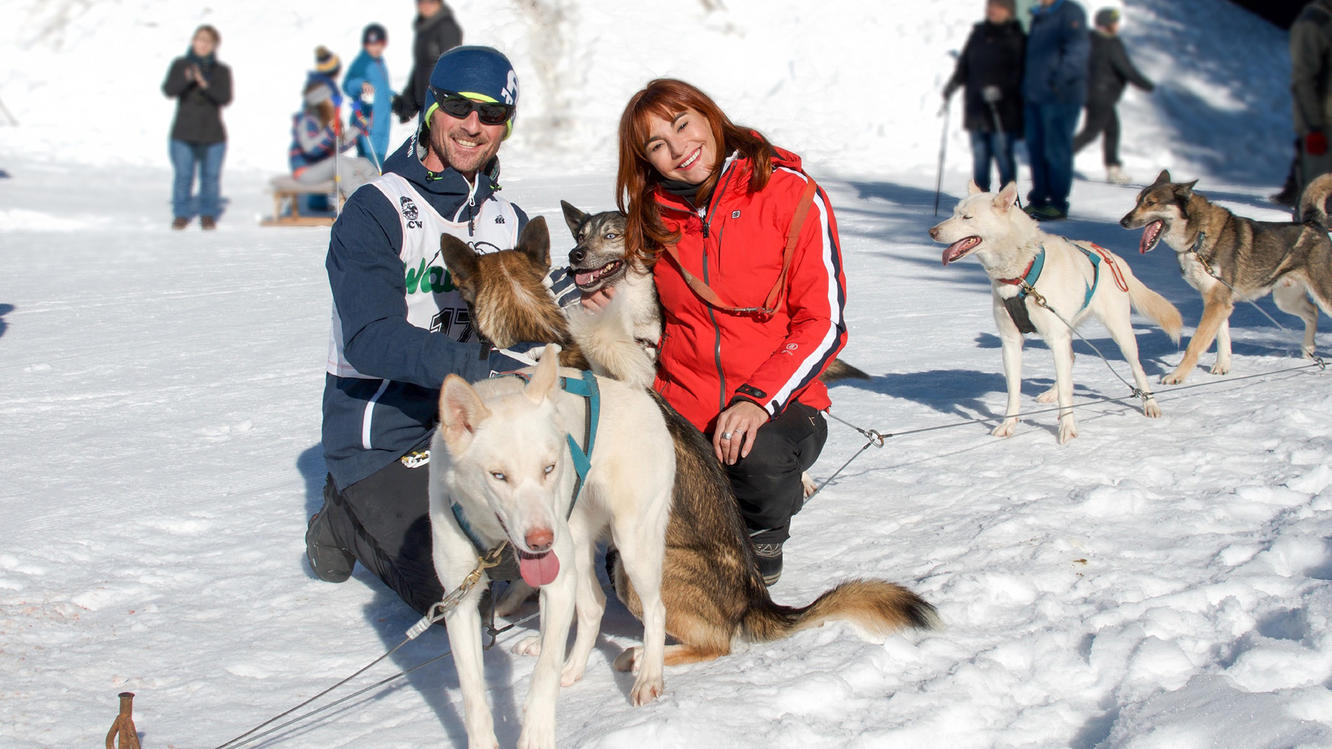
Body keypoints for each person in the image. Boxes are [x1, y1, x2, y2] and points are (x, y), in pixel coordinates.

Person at [308, 46, 575, 617]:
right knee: (465, 596)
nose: (473, 125)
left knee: (560, 549)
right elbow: (371, 338)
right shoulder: (376, 209)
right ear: (431, 109)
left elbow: (526, 337)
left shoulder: (505, 218)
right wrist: (482, 366)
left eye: (492, 114)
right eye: (458, 106)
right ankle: (348, 512)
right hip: (385, 430)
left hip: (476, 428)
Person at [608, 79, 848, 585]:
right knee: (633, 570)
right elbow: (636, 302)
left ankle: (763, 535)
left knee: (755, 455)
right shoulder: (651, 217)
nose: (678, 149)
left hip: (779, 407)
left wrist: (758, 399)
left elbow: (823, 323)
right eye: (657, 145)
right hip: (681, 403)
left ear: (709, 116)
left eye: (683, 125)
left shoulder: (789, 193)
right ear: (646, 160)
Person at [944, 0, 1026, 192]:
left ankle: (1008, 199)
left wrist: (1002, 90)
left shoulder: (1016, 37)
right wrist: (953, 84)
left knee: (1002, 155)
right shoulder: (978, 33)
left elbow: (1020, 73)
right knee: (980, 156)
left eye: (998, 7)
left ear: (1009, 11)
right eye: (990, 6)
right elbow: (965, 63)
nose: (992, 10)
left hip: (1003, 110)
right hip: (976, 107)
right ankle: (980, 198)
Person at [1022, 0, 1090, 221]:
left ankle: (1058, 203)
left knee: (1056, 150)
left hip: (1060, 97)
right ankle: (1039, 199)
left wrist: (1056, 82)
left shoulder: (1069, 12)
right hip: (1034, 95)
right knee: (1036, 150)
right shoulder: (1039, 15)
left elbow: (1077, 52)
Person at [1072, 7, 1154, 184]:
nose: (1117, 25)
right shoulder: (1111, 43)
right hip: (1103, 95)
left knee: (1112, 130)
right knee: (1091, 132)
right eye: (1114, 22)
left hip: (1090, 93)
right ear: (1108, 24)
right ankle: (1057, 160)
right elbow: (1126, 68)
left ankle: (1113, 166)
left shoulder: (1089, 39)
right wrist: (1146, 84)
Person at [161, 25, 232, 230]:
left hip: (212, 134)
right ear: (193, 41)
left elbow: (224, 97)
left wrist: (204, 83)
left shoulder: (221, 70)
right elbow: (169, 90)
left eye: (207, 41)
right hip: (183, 132)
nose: (202, 44)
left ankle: (207, 214)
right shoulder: (180, 64)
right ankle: (181, 213)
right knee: (183, 175)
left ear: (214, 45)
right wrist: (186, 79)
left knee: (210, 176)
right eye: (199, 39)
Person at [288, 76, 377, 200]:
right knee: (340, 163)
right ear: (321, 101)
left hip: (325, 165)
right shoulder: (307, 120)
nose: (334, 101)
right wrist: (329, 132)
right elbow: (310, 149)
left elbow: (338, 146)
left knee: (364, 164)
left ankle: (379, 197)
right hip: (305, 170)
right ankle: (359, 204)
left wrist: (357, 128)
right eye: (330, 98)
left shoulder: (328, 119)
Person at [392, 0, 463, 124]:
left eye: (430, 1)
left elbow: (452, 68)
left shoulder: (446, 28)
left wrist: (445, 104)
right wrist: (408, 103)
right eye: (421, 2)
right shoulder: (425, 29)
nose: (425, 5)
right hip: (425, 106)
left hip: (439, 108)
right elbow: (420, 68)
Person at [1291, 0, 1332, 200]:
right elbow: (1304, 79)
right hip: (1322, 125)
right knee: (1316, 198)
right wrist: (1313, 127)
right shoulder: (1315, 22)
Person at [342, 23, 394, 167]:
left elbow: (381, 88)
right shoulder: (362, 62)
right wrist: (361, 84)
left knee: (377, 164)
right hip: (368, 125)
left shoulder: (379, 62)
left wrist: (394, 97)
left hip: (382, 123)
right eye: (371, 44)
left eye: (379, 43)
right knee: (370, 167)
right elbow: (348, 85)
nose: (375, 48)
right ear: (365, 45)